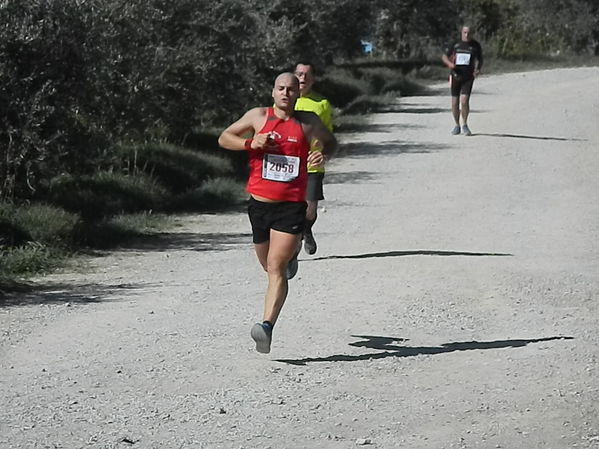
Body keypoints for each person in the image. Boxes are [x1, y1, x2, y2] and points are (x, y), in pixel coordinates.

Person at [218, 72, 336, 354]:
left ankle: (266, 326)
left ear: (298, 94)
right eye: (280, 88)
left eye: (291, 89)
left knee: (275, 267)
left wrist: (322, 154)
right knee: (267, 265)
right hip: (259, 205)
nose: (285, 93)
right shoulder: (258, 117)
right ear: (273, 92)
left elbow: (330, 142)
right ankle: (289, 259)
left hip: (291, 207)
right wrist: (250, 143)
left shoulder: (308, 123)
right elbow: (224, 138)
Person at [293, 62, 334, 255]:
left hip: (312, 164)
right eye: (299, 74)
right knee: (288, 209)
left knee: (310, 210)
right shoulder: (284, 101)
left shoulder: (321, 104)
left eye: (307, 75)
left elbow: (329, 135)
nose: (303, 78)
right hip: (289, 164)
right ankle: (291, 248)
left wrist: (323, 153)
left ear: (313, 79)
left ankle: (306, 230)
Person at [441, 25, 483, 136]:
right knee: (454, 102)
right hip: (455, 76)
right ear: (461, 33)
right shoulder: (455, 44)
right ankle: (456, 125)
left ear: (472, 33)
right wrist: (450, 64)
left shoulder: (475, 45)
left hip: (468, 77)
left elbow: (480, 59)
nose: (467, 35)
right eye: (465, 32)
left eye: (469, 33)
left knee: (464, 101)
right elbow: (444, 56)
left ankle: (464, 124)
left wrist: (477, 69)